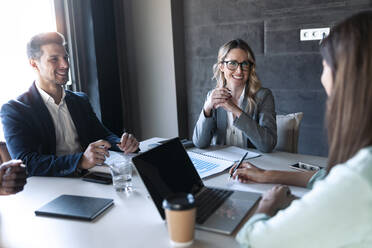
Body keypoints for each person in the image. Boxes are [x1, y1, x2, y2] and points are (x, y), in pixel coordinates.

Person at [232, 11, 372, 247]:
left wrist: (267, 204)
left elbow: (254, 241)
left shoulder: (359, 180)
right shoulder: (212, 97)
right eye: (232, 63)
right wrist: (267, 175)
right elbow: (328, 178)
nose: (321, 77)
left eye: (325, 64)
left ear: (348, 77)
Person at [0, 32, 139, 177]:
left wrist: (122, 143)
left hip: (88, 177)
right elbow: (26, 162)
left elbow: (102, 134)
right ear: (34, 63)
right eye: (54, 59)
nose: (65, 65)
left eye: (65, 57)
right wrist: (80, 161)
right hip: (50, 187)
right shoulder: (14, 110)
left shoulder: (80, 100)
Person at [192, 39, 277, 153]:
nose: (239, 71)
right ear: (222, 66)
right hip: (222, 163)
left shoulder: (263, 96)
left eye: (244, 64)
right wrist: (207, 108)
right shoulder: (213, 97)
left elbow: (267, 145)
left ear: (250, 67)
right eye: (232, 63)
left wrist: (235, 109)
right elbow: (199, 143)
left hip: (252, 166)